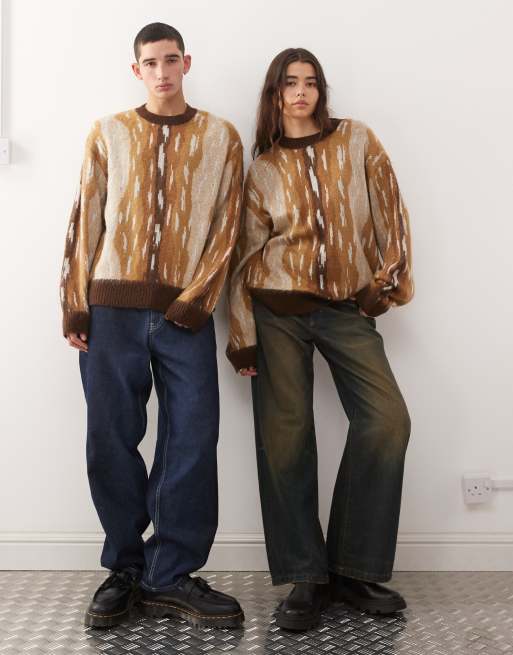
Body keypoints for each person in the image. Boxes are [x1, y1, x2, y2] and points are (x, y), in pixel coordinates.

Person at [60, 22, 245, 630]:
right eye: (150, 63)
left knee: (193, 437)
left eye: (170, 60)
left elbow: (227, 227)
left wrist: (198, 301)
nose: (161, 72)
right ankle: (125, 569)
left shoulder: (221, 136)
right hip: (110, 311)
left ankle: (170, 574)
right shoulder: (108, 132)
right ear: (135, 70)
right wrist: (74, 303)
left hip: (185, 313)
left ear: (186, 62)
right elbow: (85, 219)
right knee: (110, 440)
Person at [226, 47, 414, 632]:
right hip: (276, 309)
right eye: (290, 83)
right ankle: (305, 577)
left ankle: (353, 569)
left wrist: (382, 287)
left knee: (387, 420)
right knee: (286, 440)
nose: (301, 92)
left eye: (310, 82)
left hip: (345, 308)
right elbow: (244, 257)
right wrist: (243, 335)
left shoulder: (357, 140)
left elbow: (391, 213)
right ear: (275, 93)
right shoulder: (262, 169)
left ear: (321, 90)